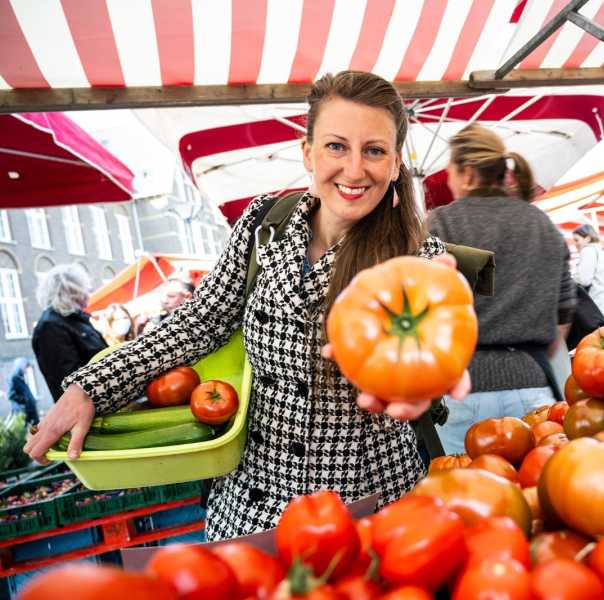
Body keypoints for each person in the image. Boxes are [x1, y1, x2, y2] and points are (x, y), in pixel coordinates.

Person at [24, 71, 470, 541]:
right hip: (253, 506)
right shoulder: (263, 226)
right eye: (336, 146)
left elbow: (436, 357)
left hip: (367, 507)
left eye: (374, 150)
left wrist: (423, 383)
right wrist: (92, 387)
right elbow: (199, 323)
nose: (355, 169)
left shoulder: (415, 262)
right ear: (308, 152)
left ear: (396, 163)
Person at [426, 124, 576, 455]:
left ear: (465, 173)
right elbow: (563, 317)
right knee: (535, 499)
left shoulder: (439, 224)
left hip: (460, 391)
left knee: (467, 498)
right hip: (535, 387)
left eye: (449, 171)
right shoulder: (542, 224)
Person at [31, 264, 107, 403]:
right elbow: (69, 384)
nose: (88, 292)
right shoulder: (51, 327)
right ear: (72, 290)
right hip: (90, 412)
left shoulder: (73, 319)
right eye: (84, 287)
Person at [571, 224, 604, 312]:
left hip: (593, 304)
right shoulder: (598, 251)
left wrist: (571, 278)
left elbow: (584, 280)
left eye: (576, 240)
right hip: (602, 304)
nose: (574, 243)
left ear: (588, 238)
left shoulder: (587, 250)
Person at [7, 358, 39, 426]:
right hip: (24, 412)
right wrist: (25, 400)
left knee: (36, 431)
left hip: (30, 412)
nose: (26, 369)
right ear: (20, 365)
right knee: (30, 433)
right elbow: (11, 395)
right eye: (25, 367)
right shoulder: (14, 378)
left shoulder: (20, 378)